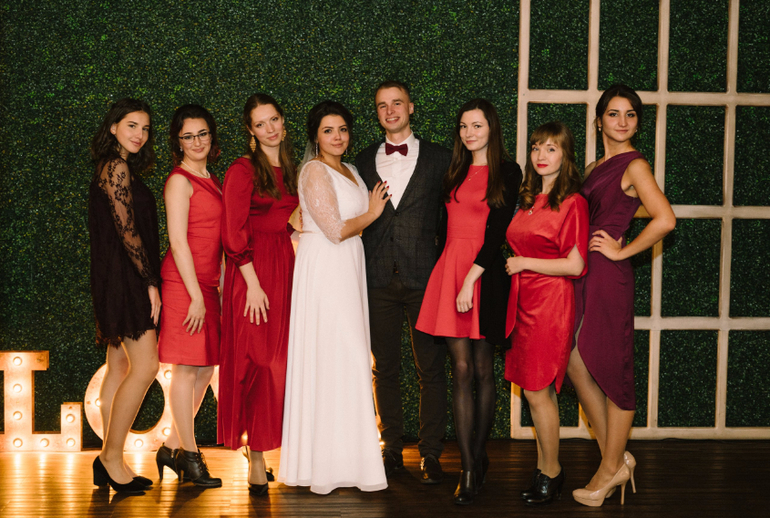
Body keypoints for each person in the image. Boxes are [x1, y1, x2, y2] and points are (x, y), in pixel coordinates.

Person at [568, 84, 675, 507]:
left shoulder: (635, 164)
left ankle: (608, 469)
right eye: (613, 114)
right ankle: (614, 459)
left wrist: (621, 249)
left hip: (608, 276)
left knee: (615, 371)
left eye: (630, 114)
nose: (622, 121)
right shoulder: (595, 166)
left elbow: (665, 218)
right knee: (576, 362)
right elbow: (618, 206)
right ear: (599, 121)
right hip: (583, 272)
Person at [278, 100, 390, 495]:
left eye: (342, 129)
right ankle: (323, 467)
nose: (337, 136)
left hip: (347, 267)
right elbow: (335, 229)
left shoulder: (353, 170)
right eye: (328, 130)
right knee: (334, 357)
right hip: (326, 268)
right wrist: (373, 213)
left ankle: (350, 463)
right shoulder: (313, 170)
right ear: (315, 136)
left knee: (350, 360)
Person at [416, 99, 522, 504]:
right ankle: (467, 467)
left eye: (476, 125)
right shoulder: (454, 171)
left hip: (486, 275)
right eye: (463, 126)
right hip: (451, 271)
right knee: (460, 369)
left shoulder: (508, 171)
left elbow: (498, 232)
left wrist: (469, 282)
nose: (469, 133)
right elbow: (443, 228)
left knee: (482, 370)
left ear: (491, 128)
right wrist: (449, 279)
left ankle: (479, 456)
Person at [355, 81, 451, 484]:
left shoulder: (442, 158)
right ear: (376, 113)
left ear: (411, 107)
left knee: (431, 368)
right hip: (377, 278)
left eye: (397, 103)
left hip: (426, 278)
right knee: (384, 369)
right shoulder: (361, 160)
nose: (390, 110)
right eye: (382, 105)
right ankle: (390, 448)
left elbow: (453, 218)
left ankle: (431, 453)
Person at [504, 121, 588, 506]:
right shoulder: (529, 200)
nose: (541, 155)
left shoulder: (573, 202)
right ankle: (544, 469)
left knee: (539, 391)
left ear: (566, 156)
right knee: (534, 391)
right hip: (524, 301)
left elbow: (575, 265)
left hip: (550, 303)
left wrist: (524, 263)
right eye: (537, 147)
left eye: (551, 149)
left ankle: (551, 472)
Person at [218, 94, 299, 495]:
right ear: (250, 131)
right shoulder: (242, 170)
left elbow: (295, 220)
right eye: (261, 123)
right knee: (259, 363)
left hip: (286, 267)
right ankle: (256, 457)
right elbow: (232, 231)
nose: (270, 129)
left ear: (284, 122)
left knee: (282, 364)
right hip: (252, 273)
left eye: (275, 120)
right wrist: (251, 283)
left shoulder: (296, 169)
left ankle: (277, 450)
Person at [88, 98, 160, 494]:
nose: (140, 134)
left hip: (115, 277)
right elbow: (127, 231)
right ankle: (111, 458)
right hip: (126, 279)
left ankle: (109, 458)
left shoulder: (114, 166)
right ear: (114, 126)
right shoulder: (116, 167)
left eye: (145, 128)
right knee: (146, 367)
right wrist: (149, 280)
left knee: (118, 366)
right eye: (132, 125)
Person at [155, 104, 223, 488]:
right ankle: (191, 457)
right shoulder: (179, 181)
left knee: (206, 369)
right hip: (185, 285)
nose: (196, 142)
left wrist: (218, 287)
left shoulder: (212, 178)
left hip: (207, 285)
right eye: (188, 136)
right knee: (185, 369)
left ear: (211, 136)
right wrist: (195, 295)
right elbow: (178, 242)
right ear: (177, 142)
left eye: (202, 134)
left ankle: (169, 447)